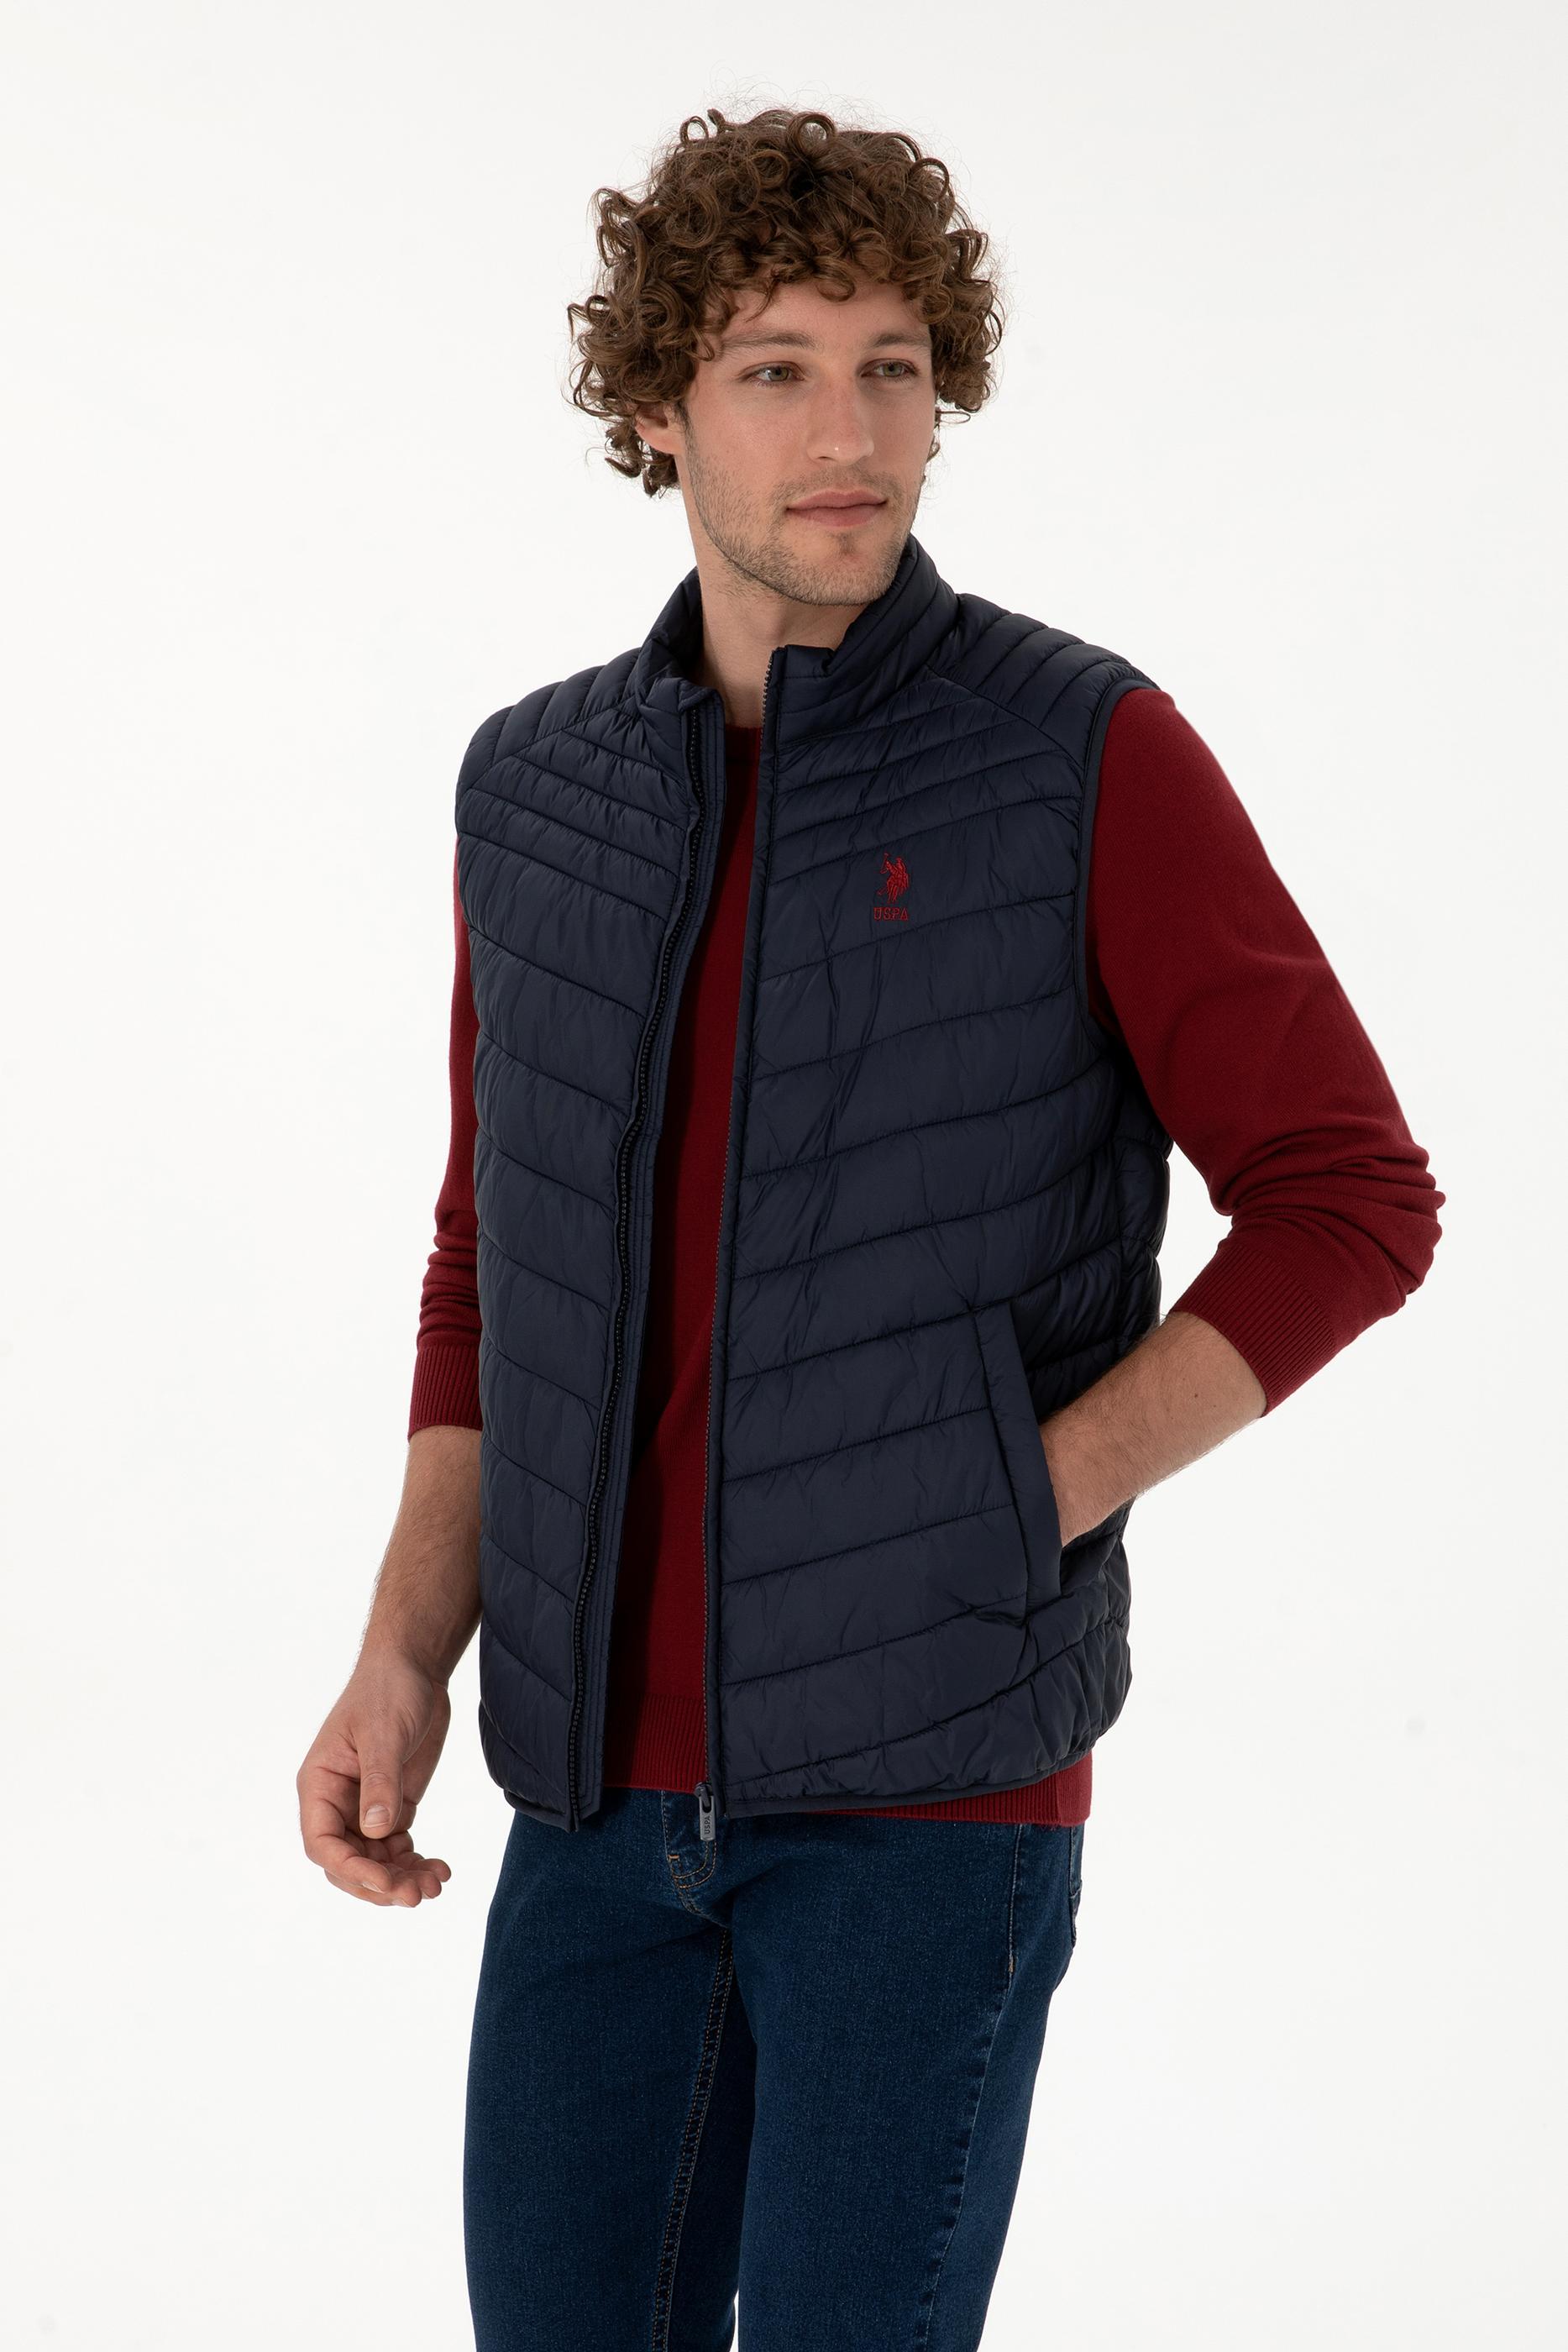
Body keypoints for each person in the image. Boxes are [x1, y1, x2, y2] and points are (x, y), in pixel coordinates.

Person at [296, 105, 1445, 2351]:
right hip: (585, 1803)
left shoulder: (1080, 755)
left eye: (893, 369)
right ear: (657, 409)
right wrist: (405, 1654)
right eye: (775, 370)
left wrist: (1019, 1497)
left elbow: (1350, 1198)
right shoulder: (536, 793)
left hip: (933, 1804)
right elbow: (486, 1277)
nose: (849, 435)